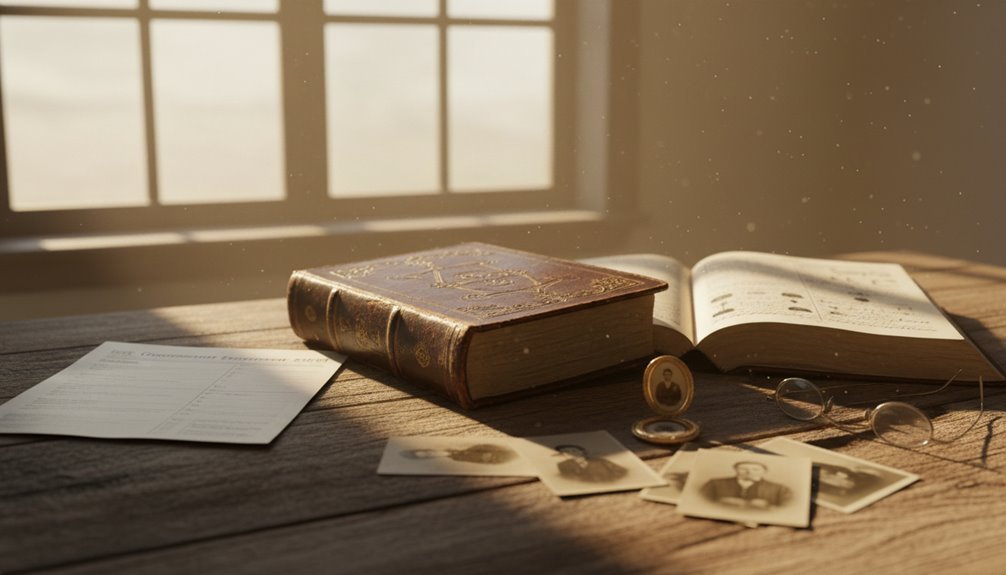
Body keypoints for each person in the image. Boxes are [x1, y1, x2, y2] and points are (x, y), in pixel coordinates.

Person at [700, 461, 792, 509]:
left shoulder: (780, 489)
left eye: (755, 469)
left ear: (764, 471)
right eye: (743, 469)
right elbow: (701, 502)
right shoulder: (714, 483)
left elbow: (787, 509)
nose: (749, 472)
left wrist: (767, 506)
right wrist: (720, 502)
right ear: (736, 470)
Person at [553, 444, 628, 483]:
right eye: (566, 452)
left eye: (574, 451)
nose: (571, 453)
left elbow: (622, 472)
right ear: (562, 454)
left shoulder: (600, 461)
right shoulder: (563, 465)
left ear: (582, 452)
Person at [401, 443, 518, 465]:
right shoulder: (458, 458)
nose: (432, 454)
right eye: (428, 457)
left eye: (427, 453)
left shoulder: (458, 447)